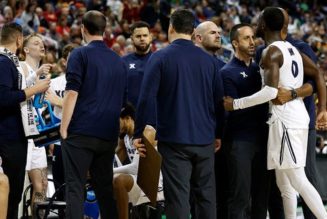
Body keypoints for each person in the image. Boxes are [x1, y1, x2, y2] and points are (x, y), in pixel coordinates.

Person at [224, 7, 327, 219]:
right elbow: (316, 73)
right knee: (284, 183)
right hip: (296, 116)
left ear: (263, 25)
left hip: (285, 118)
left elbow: (270, 92)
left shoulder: (271, 51)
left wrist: (236, 104)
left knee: (297, 178)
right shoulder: (292, 49)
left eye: (258, 21)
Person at [133, 9, 224, 219]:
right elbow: (219, 102)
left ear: (170, 28)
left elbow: (146, 98)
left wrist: (139, 133)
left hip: (174, 140)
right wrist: (218, 133)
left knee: (178, 197)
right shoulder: (210, 61)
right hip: (205, 139)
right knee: (206, 196)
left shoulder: (159, 57)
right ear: (193, 31)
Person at [256, 8, 325, 219]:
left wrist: (293, 94)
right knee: (284, 183)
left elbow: (314, 81)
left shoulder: (294, 47)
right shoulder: (267, 50)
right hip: (281, 119)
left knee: (301, 178)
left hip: (291, 119)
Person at [60, 10, 127, 219]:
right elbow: (122, 100)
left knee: (75, 187)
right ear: (105, 30)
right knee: (105, 189)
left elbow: (71, 93)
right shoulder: (119, 60)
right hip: (107, 134)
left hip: (80, 132)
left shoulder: (79, 54)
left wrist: (64, 127)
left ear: (83, 29)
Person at [219, 23, 270, 219]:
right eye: (246, 38)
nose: (253, 42)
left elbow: (239, 105)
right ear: (234, 43)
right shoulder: (227, 72)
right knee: (240, 197)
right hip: (240, 141)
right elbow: (231, 109)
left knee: (261, 197)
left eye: (253, 37)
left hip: (263, 139)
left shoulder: (261, 69)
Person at [0, 22, 50, 219]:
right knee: (11, 195)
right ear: (20, 40)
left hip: (13, 135)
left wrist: (33, 82)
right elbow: (3, 98)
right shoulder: (4, 62)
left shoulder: (9, 61)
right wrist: (34, 90)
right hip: (8, 137)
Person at [194, 20, 227, 219]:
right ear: (198, 37)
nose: (218, 35)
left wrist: (219, 134)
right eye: (213, 32)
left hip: (217, 139)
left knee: (218, 192)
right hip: (196, 137)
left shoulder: (223, 66)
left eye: (219, 32)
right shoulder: (189, 62)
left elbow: (221, 106)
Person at [113, 104, 164, 219]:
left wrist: (109, 171)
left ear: (128, 118)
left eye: (117, 121)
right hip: (138, 183)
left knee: (119, 180)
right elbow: (114, 160)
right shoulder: (125, 138)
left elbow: (136, 167)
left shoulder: (147, 131)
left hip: (153, 184)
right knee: (107, 181)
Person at [20, 33, 52, 216]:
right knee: (20, 182)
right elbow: (19, 91)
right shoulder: (21, 67)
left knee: (42, 185)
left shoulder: (46, 75)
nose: (41, 45)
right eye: (36, 43)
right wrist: (37, 75)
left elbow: (43, 108)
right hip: (22, 134)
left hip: (38, 135)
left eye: (42, 43)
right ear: (25, 49)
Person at [122, 21, 156, 126]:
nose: (142, 38)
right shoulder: (123, 62)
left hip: (155, 120)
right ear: (132, 39)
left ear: (150, 37)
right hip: (130, 120)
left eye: (145, 35)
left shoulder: (160, 60)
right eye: (138, 36)